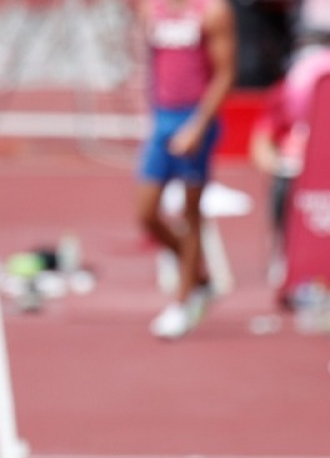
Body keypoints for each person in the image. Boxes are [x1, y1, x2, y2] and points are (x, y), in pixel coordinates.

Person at [136, 0, 237, 339]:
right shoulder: (151, 7)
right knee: (146, 214)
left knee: (190, 215)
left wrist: (197, 126)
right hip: (162, 119)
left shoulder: (213, 11)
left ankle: (183, 300)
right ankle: (200, 275)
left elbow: (225, 73)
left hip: (195, 120)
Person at [249, 26, 330, 287]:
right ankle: (284, 254)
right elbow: (261, 139)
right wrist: (277, 164)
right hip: (295, 169)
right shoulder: (285, 92)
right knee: (283, 193)